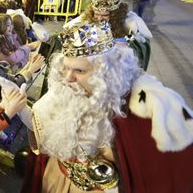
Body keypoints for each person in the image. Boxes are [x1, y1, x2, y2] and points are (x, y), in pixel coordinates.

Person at [18, 21, 193, 193]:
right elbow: (40, 126)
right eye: (66, 69)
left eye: (79, 71)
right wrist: (20, 108)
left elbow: (158, 167)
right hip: (58, 181)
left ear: (105, 72)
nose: (68, 78)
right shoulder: (62, 91)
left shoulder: (139, 104)